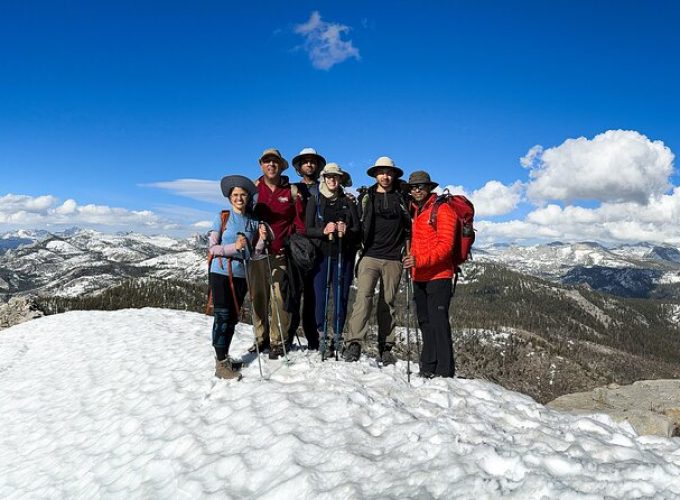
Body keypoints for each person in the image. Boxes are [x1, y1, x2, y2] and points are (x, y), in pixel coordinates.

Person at [344, 156, 411, 364]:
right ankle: (354, 343)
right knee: (363, 299)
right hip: (369, 256)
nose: (385, 176)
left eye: (389, 172)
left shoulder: (402, 198)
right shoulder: (367, 197)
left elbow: (409, 228)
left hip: (394, 258)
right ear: (375, 175)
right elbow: (356, 224)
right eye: (381, 172)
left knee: (387, 303)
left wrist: (407, 252)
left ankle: (386, 347)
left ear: (394, 175)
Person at [250, 148, 306, 360]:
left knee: (280, 299)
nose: (270, 165)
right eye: (267, 161)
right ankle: (260, 337)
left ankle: (277, 340)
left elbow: (298, 223)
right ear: (261, 165)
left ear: (280, 166)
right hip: (257, 253)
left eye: (274, 162)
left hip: (281, 254)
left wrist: (291, 244)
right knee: (258, 297)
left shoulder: (290, 191)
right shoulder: (254, 190)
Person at [402, 171, 456, 378]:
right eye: (413, 187)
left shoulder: (443, 210)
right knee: (425, 322)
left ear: (429, 188)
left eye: (421, 186)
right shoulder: (416, 211)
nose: (416, 190)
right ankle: (428, 364)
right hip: (420, 276)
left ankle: (444, 370)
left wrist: (419, 261)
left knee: (439, 323)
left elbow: (446, 247)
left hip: (439, 276)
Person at [304, 163, 359, 357]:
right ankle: (321, 336)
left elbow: (357, 231)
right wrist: (323, 231)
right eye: (329, 177)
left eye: (336, 177)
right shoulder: (315, 200)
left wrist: (348, 232)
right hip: (320, 257)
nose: (332, 180)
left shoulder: (349, 201)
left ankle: (337, 335)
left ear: (340, 179)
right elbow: (307, 229)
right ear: (324, 178)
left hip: (343, 256)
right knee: (321, 298)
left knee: (341, 297)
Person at [207, 175, 259, 379]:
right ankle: (220, 363)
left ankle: (225, 357)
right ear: (230, 198)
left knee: (233, 318)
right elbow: (212, 248)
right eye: (235, 195)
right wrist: (233, 247)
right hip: (220, 273)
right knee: (222, 316)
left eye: (243, 195)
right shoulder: (222, 217)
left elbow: (254, 253)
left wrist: (262, 239)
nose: (239, 198)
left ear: (248, 198)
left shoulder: (253, 221)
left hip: (241, 274)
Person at [288, 147, 327, 350]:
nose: (309, 165)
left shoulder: (324, 190)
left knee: (313, 296)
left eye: (312, 161)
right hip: (296, 247)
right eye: (305, 162)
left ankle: (313, 339)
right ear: (299, 166)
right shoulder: (293, 188)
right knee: (293, 294)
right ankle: (287, 336)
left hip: (318, 248)